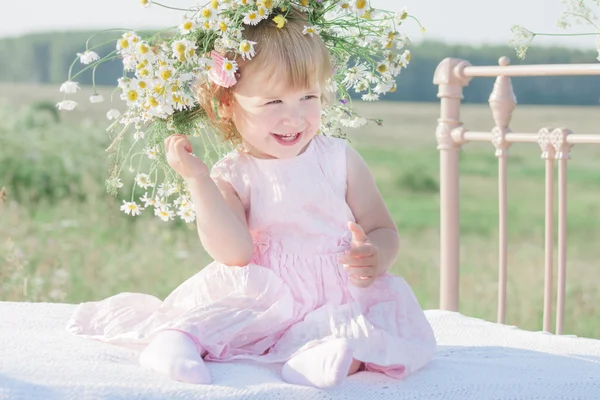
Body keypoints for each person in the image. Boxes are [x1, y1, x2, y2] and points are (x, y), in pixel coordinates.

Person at [66, 3, 436, 390]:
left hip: (338, 291)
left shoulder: (340, 159)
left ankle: (322, 358)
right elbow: (235, 253)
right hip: (267, 294)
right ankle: (174, 343)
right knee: (218, 318)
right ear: (226, 104)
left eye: (308, 97)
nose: (293, 117)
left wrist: (375, 256)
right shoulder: (235, 173)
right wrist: (198, 180)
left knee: (378, 330)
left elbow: (382, 228)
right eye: (273, 102)